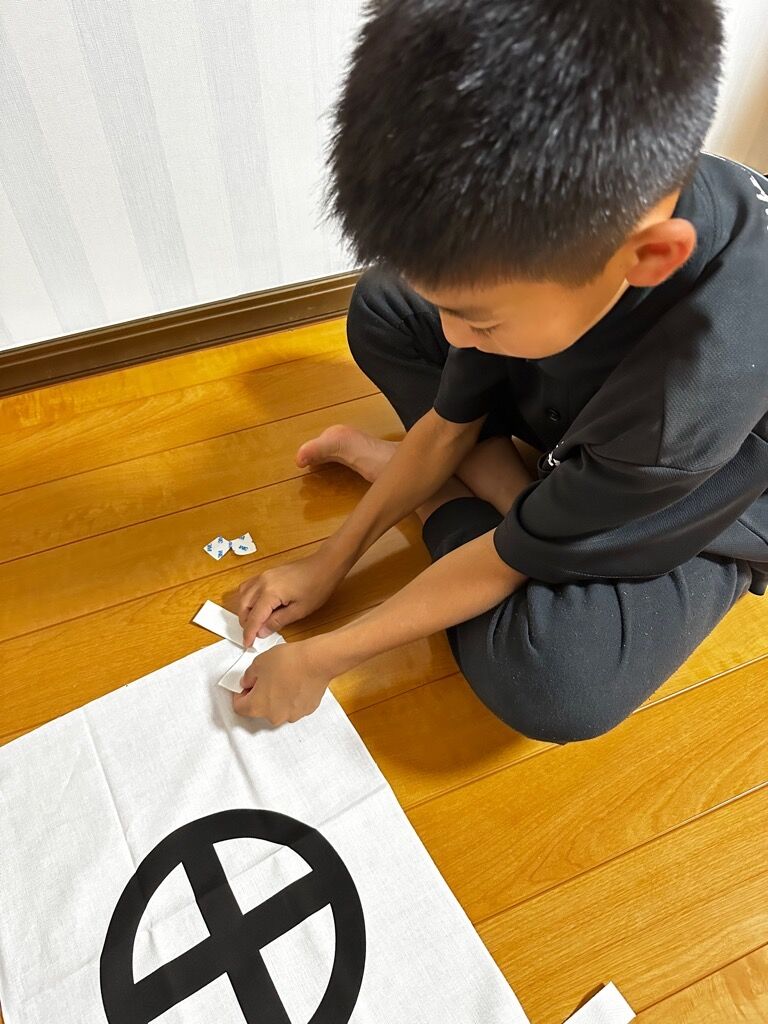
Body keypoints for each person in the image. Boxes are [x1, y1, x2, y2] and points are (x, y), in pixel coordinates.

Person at [232, 0, 768, 740]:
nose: (458, 336)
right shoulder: (600, 197)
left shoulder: (689, 398)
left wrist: (323, 658)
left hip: (711, 486)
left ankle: (466, 500)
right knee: (385, 306)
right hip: (595, 409)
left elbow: (507, 556)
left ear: (648, 257)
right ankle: (549, 502)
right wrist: (327, 565)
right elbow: (448, 423)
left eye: (479, 321)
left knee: (555, 683)